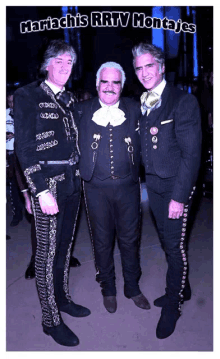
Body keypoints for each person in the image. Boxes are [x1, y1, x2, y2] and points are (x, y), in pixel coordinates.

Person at [14, 39, 90, 347]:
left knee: (64, 247)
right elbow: (24, 148)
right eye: (59, 61)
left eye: (69, 62)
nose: (64, 66)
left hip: (72, 182)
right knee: (44, 256)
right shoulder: (27, 95)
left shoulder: (70, 99)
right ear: (47, 64)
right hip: (48, 185)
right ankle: (50, 319)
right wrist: (38, 190)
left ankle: (63, 297)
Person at [132, 42, 202, 339]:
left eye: (149, 66)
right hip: (155, 185)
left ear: (161, 67)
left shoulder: (182, 101)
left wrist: (179, 197)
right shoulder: (142, 101)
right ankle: (182, 289)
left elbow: (191, 155)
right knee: (165, 239)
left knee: (174, 248)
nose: (144, 72)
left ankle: (173, 304)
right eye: (138, 68)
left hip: (176, 187)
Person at [75, 61, 150, 314]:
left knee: (130, 240)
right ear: (97, 84)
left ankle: (132, 286)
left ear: (122, 86)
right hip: (94, 188)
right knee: (102, 240)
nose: (109, 87)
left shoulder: (135, 108)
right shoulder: (81, 110)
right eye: (104, 82)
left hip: (128, 187)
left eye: (115, 82)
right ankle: (108, 288)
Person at [6, 90, 23, 226]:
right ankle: (17, 214)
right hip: (9, 154)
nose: (11, 104)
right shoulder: (4, 113)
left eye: (14, 101)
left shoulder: (24, 113)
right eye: (9, 101)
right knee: (13, 186)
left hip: (22, 154)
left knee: (26, 185)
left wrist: (15, 135)